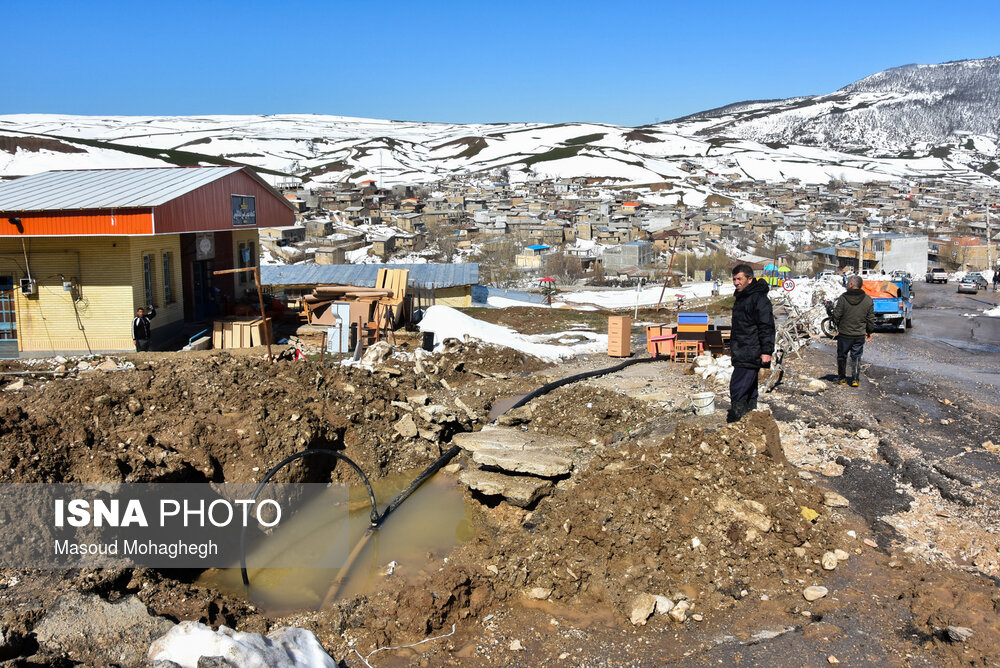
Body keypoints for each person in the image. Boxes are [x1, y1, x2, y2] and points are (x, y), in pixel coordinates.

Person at [728, 264, 775, 423]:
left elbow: (766, 326)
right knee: (748, 388)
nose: (736, 282)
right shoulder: (742, 297)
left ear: (750, 279)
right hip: (741, 349)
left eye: (739, 279)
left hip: (751, 350)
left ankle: (737, 420)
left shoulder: (759, 299)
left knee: (738, 388)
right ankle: (749, 421)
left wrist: (767, 351)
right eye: (734, 279)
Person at [832, 275, 875, 387]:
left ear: (851, 284)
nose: (846, 285)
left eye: (847, 283)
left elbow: (836, 315)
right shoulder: (868, 300)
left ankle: (842, 378)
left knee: (842, 356)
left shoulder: (843, 298)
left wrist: (836, 324)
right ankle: (855, 379)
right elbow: (870, 318)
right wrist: (869, 332)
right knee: (856, 356)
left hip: (844, 334)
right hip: (859, 335)